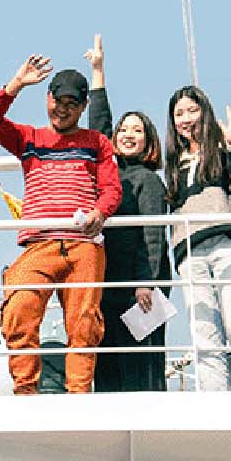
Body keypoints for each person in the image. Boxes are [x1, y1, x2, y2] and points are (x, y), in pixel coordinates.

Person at [0, 56, 122, 394]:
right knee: (18, 309)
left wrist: (100, 212)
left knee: (84, 321)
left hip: (83, 244)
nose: (63, 109)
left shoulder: (97, 143)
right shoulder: (28, 138)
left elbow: (112, 188)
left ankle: (78, 394)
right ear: (48, 98)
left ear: (84, 106)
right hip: (39, 244)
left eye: (72, 103)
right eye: (58, 101)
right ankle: (26, 392)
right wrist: (15, 84)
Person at [164, 87, 231, 391]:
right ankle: (215, 406)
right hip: (190, 252)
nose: (186, 119)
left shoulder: (223, 150)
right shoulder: (174, 164)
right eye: (179, 113)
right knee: (203, 335)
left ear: (205, 112)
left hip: (229, 244)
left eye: (192, 110)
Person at [82, 36, 170, 393]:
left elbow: (153, 235)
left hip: (141, 285)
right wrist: (98, 73)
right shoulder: (109, 175)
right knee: (107, 363)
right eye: (125, 128)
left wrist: (145, 282)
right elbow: (98, 130)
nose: (129, 134)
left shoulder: (148, 180)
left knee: (141, 364)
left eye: (138, 129)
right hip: (108, 280)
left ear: (148, 141)